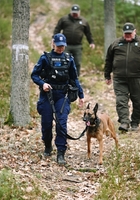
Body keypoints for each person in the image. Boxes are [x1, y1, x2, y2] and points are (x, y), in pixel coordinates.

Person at [31, 33, 84, 165]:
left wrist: (81, 95)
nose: (60, 48)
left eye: (62, 46)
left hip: (63, 95)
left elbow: (74, 78)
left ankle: (61, 152)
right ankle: (48, 145)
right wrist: (43, 84)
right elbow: (34, 75)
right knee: (47, 124)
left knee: (61, 123)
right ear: (53, 44)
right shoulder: (45, 58)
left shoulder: (69, 59)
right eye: (58, 46)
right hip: (47, 94)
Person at [104, 22, 140, 132]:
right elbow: (108, 60)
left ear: (135, 32)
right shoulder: (116, 44)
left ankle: (135, 122)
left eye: (130, 33)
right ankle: (124, 122)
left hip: (137, 77)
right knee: (121, 101)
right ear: (123, 33)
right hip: (119, 78)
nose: (128, 36)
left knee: (139, 101)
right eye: (126, 34)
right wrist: (107, 75)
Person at [53, 4, 95, 77]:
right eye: (73, 13)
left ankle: (75, 78)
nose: (74, 14)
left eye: (76, 13)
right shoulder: (64, 19)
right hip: (65, 45)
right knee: (64, 60)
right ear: (71, 12)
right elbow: (57, 29)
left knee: (77, 62)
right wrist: (54, 39)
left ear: (79, 12)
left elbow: (88, 33)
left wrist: (91, 42)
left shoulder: (84, 21)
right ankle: (63, 76)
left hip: (77, 46)